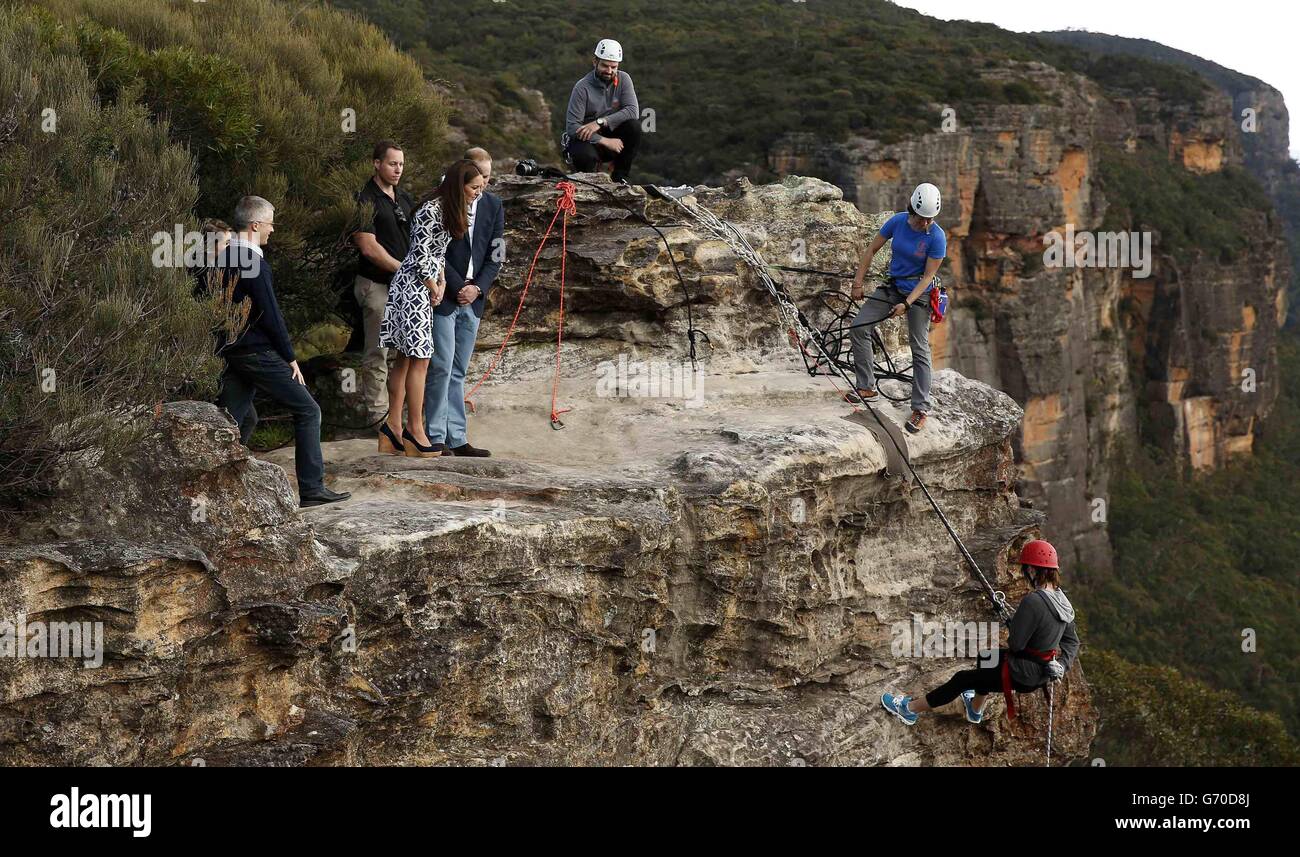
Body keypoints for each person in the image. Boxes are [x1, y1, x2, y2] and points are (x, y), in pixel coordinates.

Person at [214, 196, 351, 508]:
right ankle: (312, 488)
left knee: (235, 420)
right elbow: (270, 314)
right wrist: (290, 356)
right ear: (255, 225)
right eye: (270, 222)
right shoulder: (252, 260)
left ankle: (218, 487)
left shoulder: (225, 257)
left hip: (231, 350)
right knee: (308, 410)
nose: (273, 229)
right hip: (255, 351)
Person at [881, 539, 1080, 726]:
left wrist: (1015, 624)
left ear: (1032, 569)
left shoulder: (1033, 601)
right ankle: (975, 709)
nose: (1024, 573)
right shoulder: (1063, 602)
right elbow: (1072, 642)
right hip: (1041, 672)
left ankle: (909, 709)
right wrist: (1061, 665)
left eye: (1025, 568)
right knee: (986, 657)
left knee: (962, 679)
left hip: (1021, 672)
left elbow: (1017, 644)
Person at [379, 160, 487, 457]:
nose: (479, 192)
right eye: (474, 187)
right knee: (420, 360)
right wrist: (434, 285)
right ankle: (415, 431)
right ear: (458, 184)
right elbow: (420, 253)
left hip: (426, 287)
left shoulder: (451, 208)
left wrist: (439, 280)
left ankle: (392, 428)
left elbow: (438, 254)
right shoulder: (430, 209)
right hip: (412, 289)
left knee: (405, 359)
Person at [847, 182, 947, 434]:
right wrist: (858, 282)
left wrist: (907, 303)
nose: (926, 223)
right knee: (859, 327)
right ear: (912, 210)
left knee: (919, 346)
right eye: (922, 218)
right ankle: (866, 388)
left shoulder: (936, 237)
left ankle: (921, 408)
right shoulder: (897, 222)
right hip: (893, 287)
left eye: (930, 219)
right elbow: (871, 249)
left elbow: (927, 277)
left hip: (919, 294)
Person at [421, 151, 503, 458]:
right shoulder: (441, 204)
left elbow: (497, 252)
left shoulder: (494, 205)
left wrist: (478, 288)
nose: (483, 183)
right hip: (444, 297)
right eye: (479, 176)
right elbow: (435, 252)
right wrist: (458, 286)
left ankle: (458, 437)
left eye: (488, 177)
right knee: (441, 366)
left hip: (474, 301)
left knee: (458, 370)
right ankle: (435, 436)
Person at [352, 140, 416, 426]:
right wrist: (403, 269)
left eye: (401, 164)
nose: (398, 169)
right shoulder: (364, 199)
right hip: (376, 284)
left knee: (406, 350)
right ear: (376, 163)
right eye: (392, 163)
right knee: (377, 351)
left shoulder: (404, 198)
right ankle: (377, 418)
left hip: (404, 287)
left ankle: (399, 417)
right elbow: (368, 246)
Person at [562, 38, 641, 184]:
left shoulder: (624, 79)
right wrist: (604, 141)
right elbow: (572, 127)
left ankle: (620, 178)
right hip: (586, 139)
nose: (609, 71)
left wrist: (601, 122)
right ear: (595, 62)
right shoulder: (582, 87)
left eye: (613, 67)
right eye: (605, 66)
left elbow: (632, 111)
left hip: (610, 135)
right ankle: (589, 183)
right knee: (585, 156)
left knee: (634, 127)